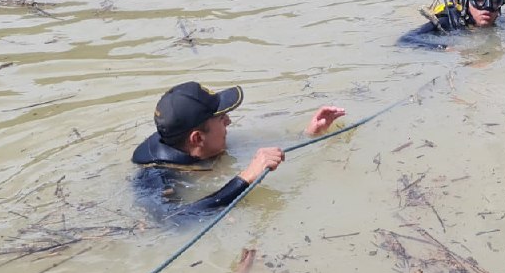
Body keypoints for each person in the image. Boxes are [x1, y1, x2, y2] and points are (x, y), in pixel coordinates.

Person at [131, 81, 346, 219]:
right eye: (221, 118)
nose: (229, 121)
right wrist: (244, 179)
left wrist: (309, 134)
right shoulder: (156, 178)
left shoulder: (209, 144)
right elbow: (175, 219)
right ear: (197, 138)